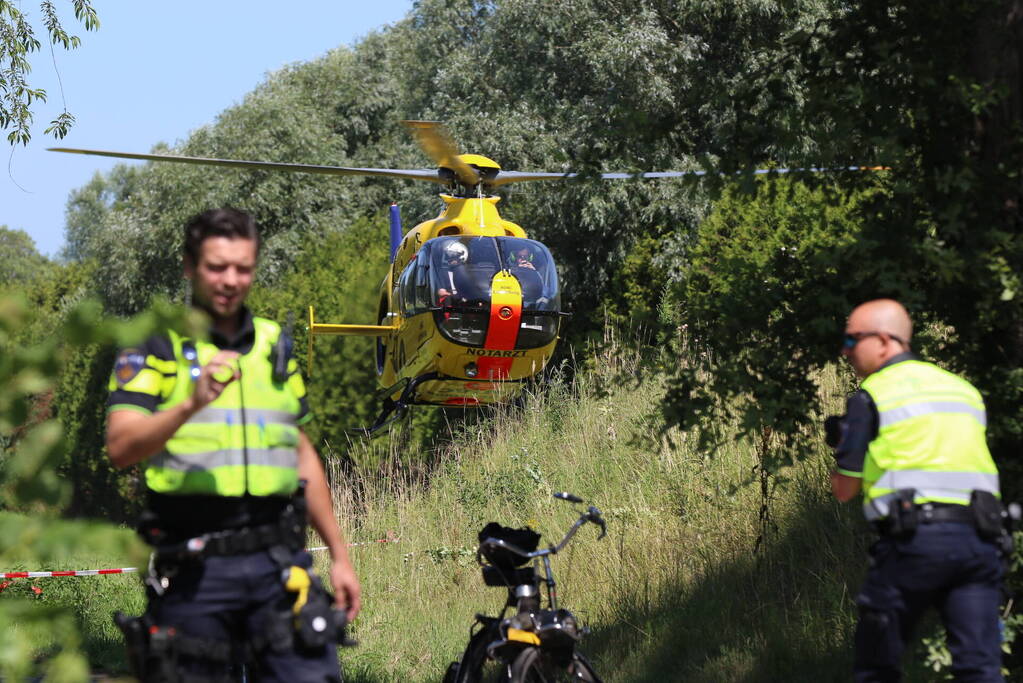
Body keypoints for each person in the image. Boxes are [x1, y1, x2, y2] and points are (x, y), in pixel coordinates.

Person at [106, 208, 361, 682]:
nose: (230, 280)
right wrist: (188, 405)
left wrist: (340, 555)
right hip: (196, 571)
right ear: (189, 266)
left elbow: (301, 452)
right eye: (216, 267)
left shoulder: (273, 346)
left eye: (243, 268)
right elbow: (120, 446)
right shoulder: (154, 345)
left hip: (277, 567)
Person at [828, 298, 1006, 682]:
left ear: (883, 340)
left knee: (877, 666)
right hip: (979, 542)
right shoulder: (964, 390)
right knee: (980, 668)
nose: (846, 351)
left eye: (852, 339)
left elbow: (844, 489)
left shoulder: (873, 394)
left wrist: (844, 445)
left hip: (914, 544)